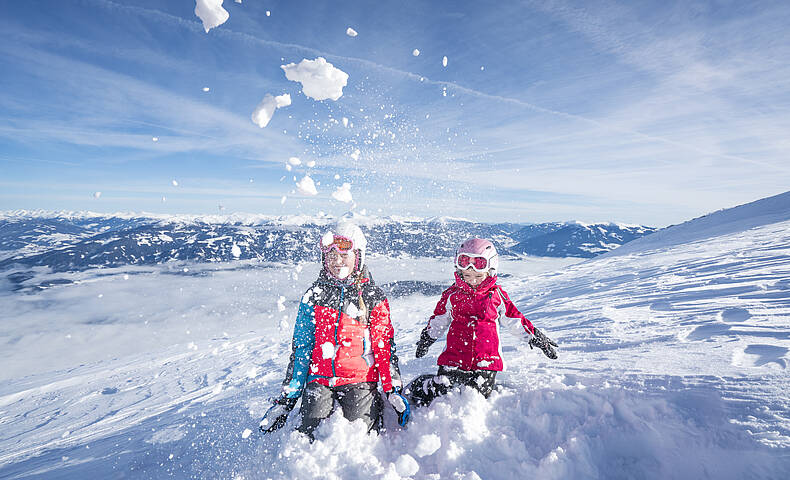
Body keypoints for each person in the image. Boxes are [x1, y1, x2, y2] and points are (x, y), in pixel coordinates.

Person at [259, 221, 410, 438]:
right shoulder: (314, 295)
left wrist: (392, 390)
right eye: (331, 256)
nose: (337, 261)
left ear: (358, 257)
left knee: (360, 434)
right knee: (308, 430)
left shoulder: (371, 296)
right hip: (320, 378)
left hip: (359, 378)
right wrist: (287, 400)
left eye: (344, 255)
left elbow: (384, 346)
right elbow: (302, 348)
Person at [406, 238, 558, 406]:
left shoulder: (496, 296)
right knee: (442, 393)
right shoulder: (452, 295)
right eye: (467, 275)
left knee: (476, 396)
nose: (472, 280)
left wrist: (535, 337)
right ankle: (422, 385)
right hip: (453, 358)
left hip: (486, 361)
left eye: (478, 275)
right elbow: (439, 319)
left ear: (490, 271)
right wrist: (427, 338)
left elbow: (514, 320)